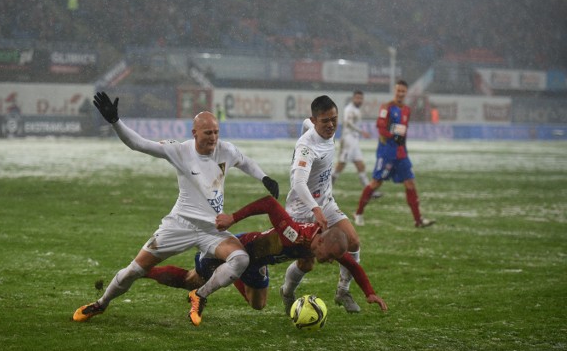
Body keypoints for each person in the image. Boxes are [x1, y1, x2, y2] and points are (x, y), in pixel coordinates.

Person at [72, 91, 280, 326]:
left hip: (211, 228)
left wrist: (264, 178)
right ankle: (101, 304)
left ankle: (199, 295)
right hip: (180, 224)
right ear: (194, 133)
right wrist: (115, 122)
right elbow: (139, 144)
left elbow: (245, 161)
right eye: (207, 133)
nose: (213, 138)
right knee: (134, 270)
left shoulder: (226, 150)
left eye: (216, 132)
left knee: (240, 259)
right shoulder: (179, 150)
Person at [145, 196, 387, 312]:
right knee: (191, 281)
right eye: (330, 256)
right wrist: (233, 218)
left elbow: (353, 265)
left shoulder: (322, 244)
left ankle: (231, 276)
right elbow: (270, 203)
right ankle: (144, 271)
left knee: (258, 305)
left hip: (258, 262)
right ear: (320, 241)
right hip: (240, 250)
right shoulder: (294, 233)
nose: (330, 261)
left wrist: (370, 293)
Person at [281, 95, 364, 314]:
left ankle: (343, 290)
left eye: (334, 119)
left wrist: (321, 206)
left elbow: (305, 125)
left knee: (353, 241)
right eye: (325, 121)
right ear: (315, 120)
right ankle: (287, 292)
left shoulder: (317, 127)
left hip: (325, 201)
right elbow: (298, 182)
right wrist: (314, 209)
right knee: (307, 264)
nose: (330, 125)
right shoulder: (306, 149)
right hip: (302, 209)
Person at [353, 80, 435, 228]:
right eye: (398, 91)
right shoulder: (386, 107)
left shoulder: (407, 110)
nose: (401, 94)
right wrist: (394, 134)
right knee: (376, 183)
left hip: (401, 153)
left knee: (410, 183)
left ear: (406, 93)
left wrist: (400, 139)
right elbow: (381, 129)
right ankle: (358, 213)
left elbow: (403, 131)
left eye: (403, 91)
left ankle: (418, 220)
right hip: (387, 153)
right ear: (394, 91)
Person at [331, 90, 382, 200]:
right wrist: (361, 131)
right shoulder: (349, 109)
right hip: (348, 139)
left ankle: (369, 192)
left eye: (361, 98)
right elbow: (348, 123)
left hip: (354, 140)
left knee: (360, 165)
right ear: (353, 98)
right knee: (341, 165)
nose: (359, 100)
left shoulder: (356, 110)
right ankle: (326, 190)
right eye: (357, 98)